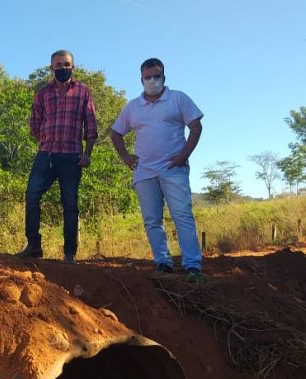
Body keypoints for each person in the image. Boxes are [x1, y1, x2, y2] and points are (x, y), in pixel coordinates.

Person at [110, 58, 204, 277]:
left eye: (157, 76)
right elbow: (116, 133)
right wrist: (125, 156)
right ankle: (162, 262)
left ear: (164, 77)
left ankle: (192, 265)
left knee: (182, 215)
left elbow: (196, 127)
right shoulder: (133, 107)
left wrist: (183, 156)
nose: (153, 80)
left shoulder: (178, 99)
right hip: (144, 171)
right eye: (148, 77)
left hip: (173, 169)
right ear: (141, 80)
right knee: (152, 219)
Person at [17, 49, 98, 264]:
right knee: (32, 195)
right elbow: (34, 124)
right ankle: (33, 246)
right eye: (59, 64)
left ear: (73, 67)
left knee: (70, 203)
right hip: (47, 155)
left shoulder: (83, 92)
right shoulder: (43, 93)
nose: (63, 68)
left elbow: (91, 126)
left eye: (66, 64)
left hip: (72, 156)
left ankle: (69, 253)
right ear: (51, 67)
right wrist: (45, 142)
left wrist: (87, 154)